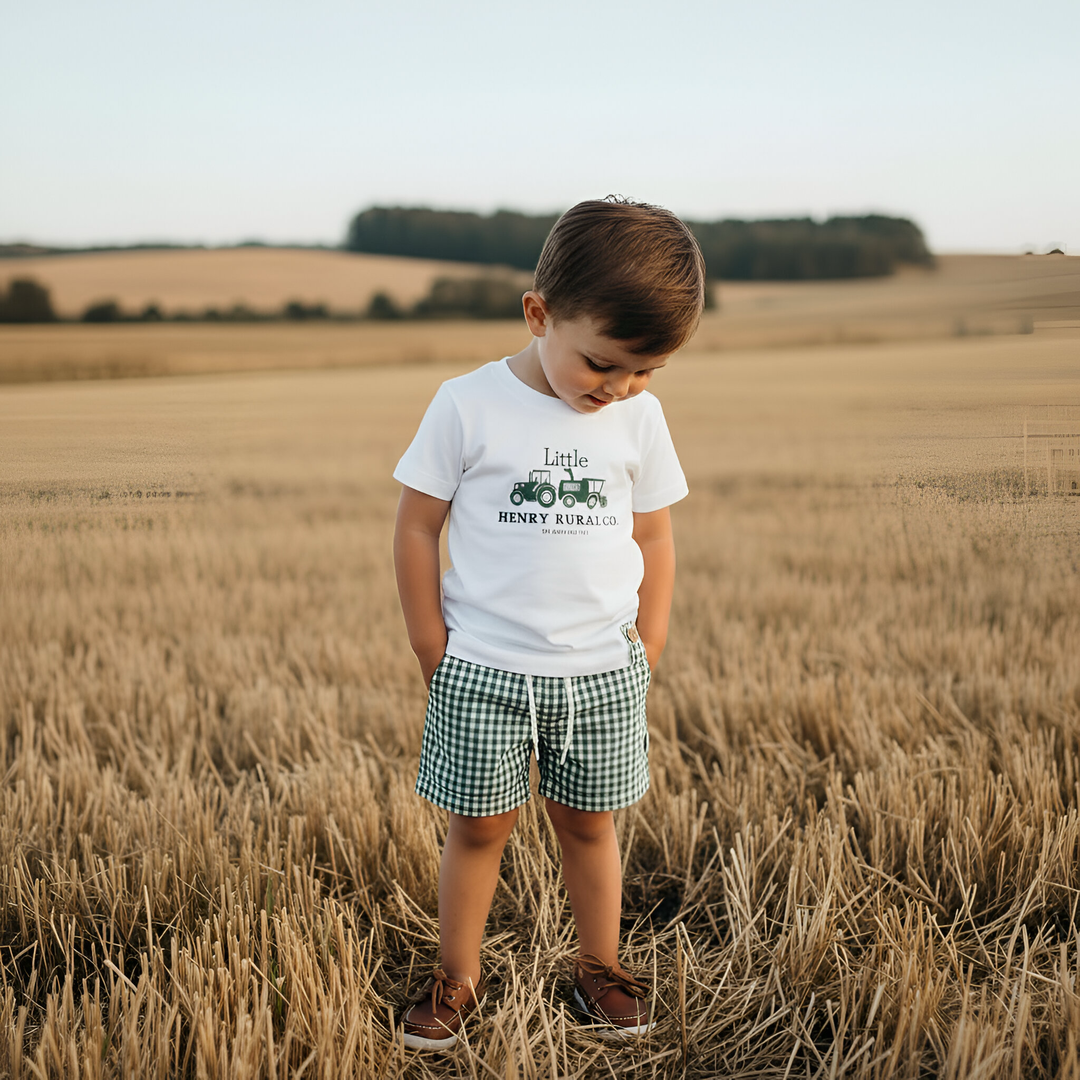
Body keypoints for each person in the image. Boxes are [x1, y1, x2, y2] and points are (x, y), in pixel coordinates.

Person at [392, 196, 706, 1050]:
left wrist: (653, 638)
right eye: (603, 364)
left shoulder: (637, 417)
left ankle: (598, 967)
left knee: (589, 824)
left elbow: (655, 533)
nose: (620, 388)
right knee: (479, 829)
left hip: (602, 671)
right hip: (484, 668)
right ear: (539, 315)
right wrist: (432, 644)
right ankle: (457, 978)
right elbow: (419, 525)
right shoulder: (466, 404)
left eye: (645, 372)